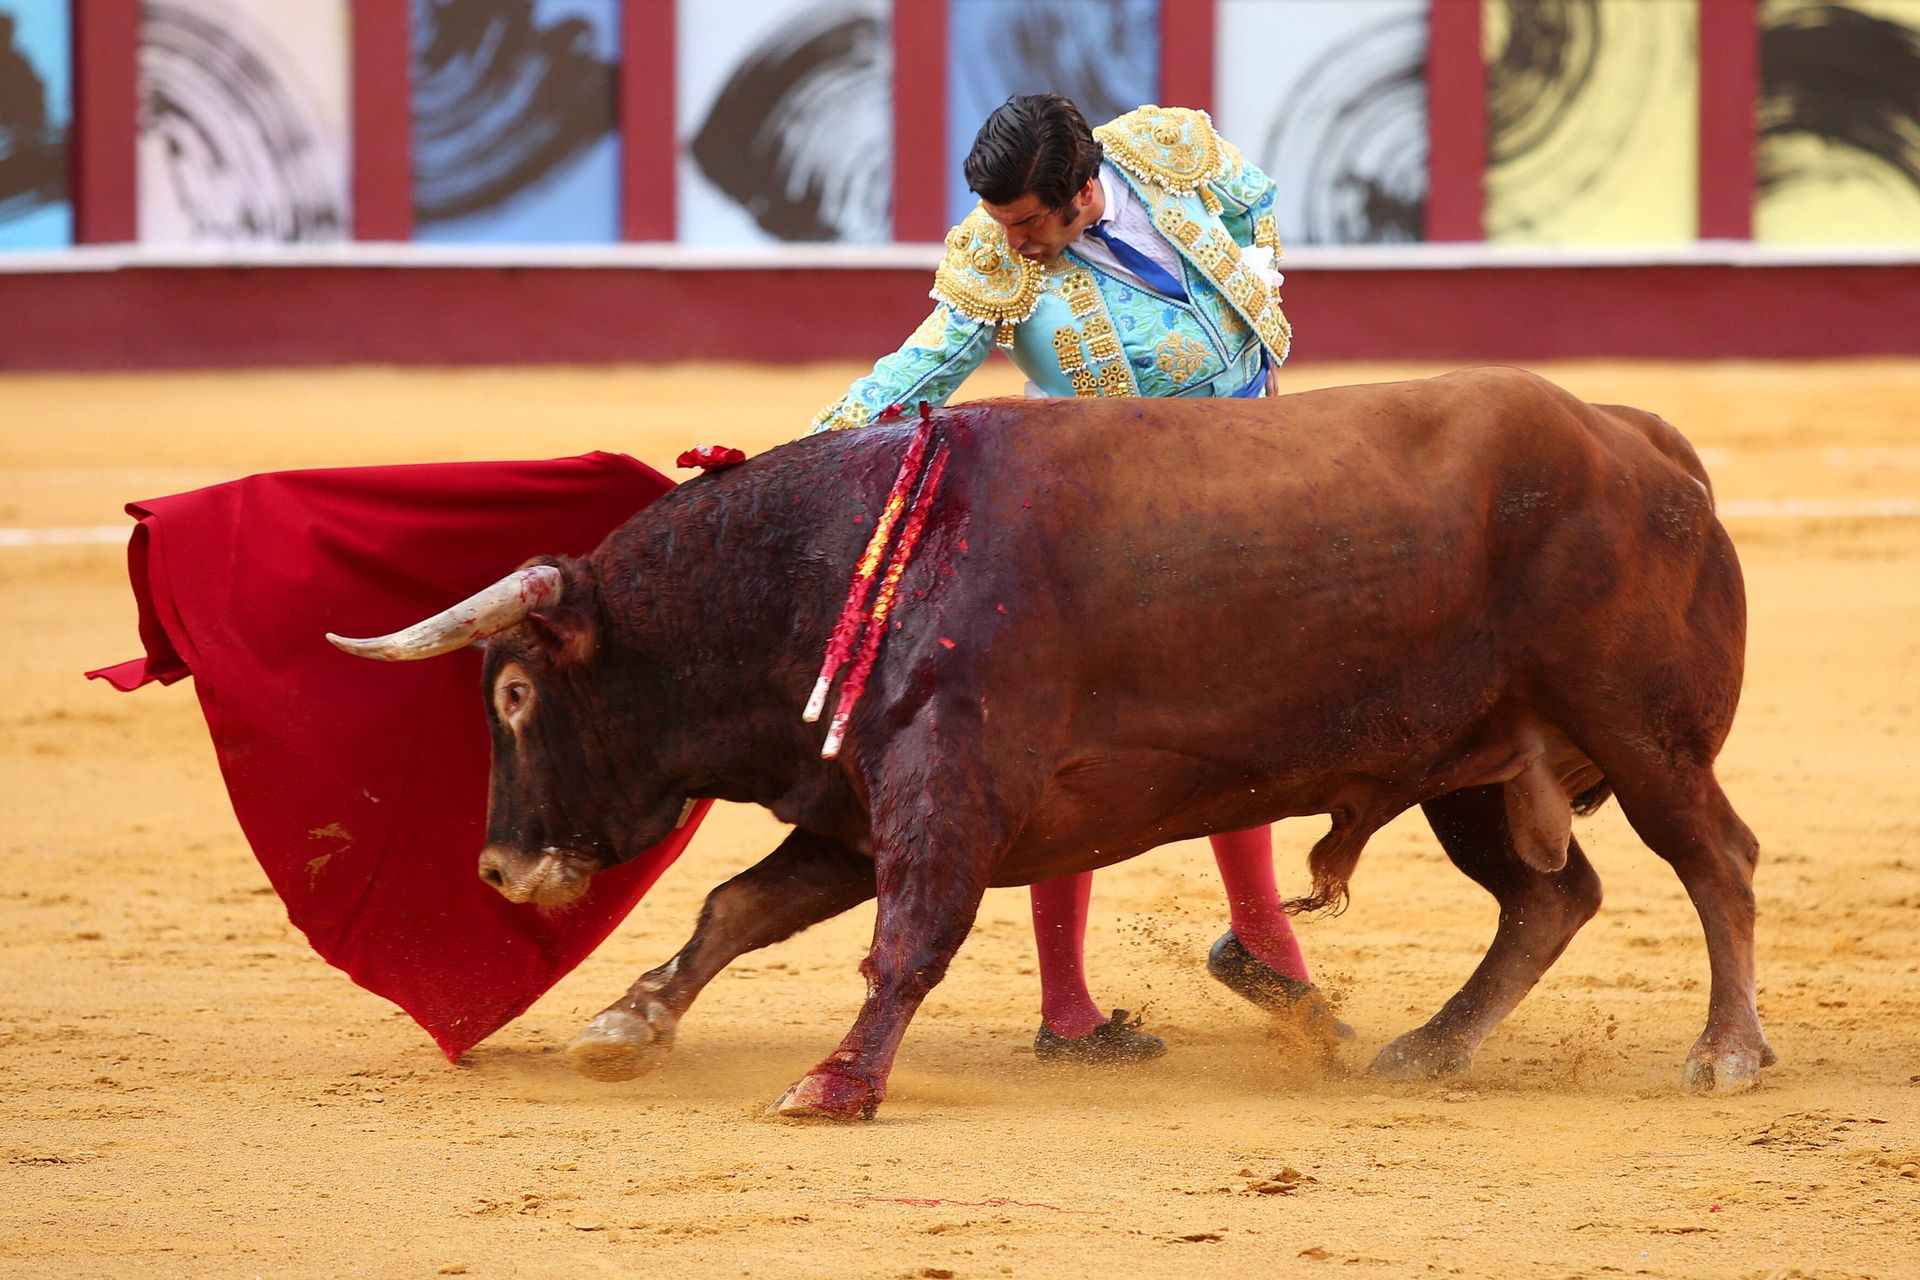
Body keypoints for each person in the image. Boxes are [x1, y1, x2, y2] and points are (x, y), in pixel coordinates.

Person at [809, 93, 1336, 1063]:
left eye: (1027, 223)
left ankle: (1260, 935)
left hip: (1248, 492)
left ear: (1082, 188)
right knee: (1073, 742)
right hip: (1101, 527)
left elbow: (1253, 201)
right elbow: (921, 369)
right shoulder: (998, 259)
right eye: (1002, 223)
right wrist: (806, 453)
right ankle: (1067, 1008)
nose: (1013, 241)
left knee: (1254, 710)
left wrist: (1261, 279)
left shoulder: (1167, 155)